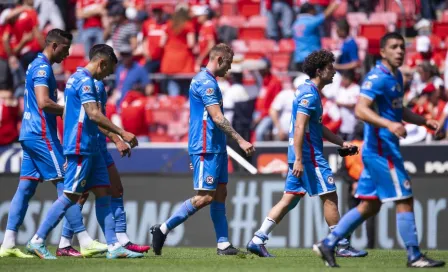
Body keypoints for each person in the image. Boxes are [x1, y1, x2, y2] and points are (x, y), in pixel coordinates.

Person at [313, 33, 446, 268]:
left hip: (380, 151)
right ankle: (414, 256)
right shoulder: (376, 78)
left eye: (402, 47)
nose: (400, 51)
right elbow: (360, 110)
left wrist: (424, 121)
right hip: (382, 152)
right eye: (394, 47)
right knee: (405, 199)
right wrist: (389, 125)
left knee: (369, 206)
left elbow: (399, 110)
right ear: (382, 52)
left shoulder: (395, 76)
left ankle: (329, 243)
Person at [25, 44, 142, 259]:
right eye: (108, 70)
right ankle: (37, 240)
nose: (107, 75)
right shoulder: (84, 81)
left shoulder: (78, 79)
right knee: (70, 196)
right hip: (80, 146)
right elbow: (93, 114)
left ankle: (114, 246)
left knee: (103, 193)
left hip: (91, 148)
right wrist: (122, 133)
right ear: (102, 63)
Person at [246, 49, 366, 258]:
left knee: (289, 199)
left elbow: (317, 127)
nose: (334, 72)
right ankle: (342, 245)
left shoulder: (307, 91)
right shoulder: (310, 94)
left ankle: (258, 239)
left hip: (302, 155)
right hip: (309, 157)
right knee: (330, 196)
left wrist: (341, 142)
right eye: (330, 68)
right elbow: (300, 127)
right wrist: (300, 159)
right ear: (319, 71)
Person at [0, 29, 106, 259]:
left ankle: (7, 242)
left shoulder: (36, 65)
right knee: (66, 184)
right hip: (41, 135)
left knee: (26, 188)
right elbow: (43, 102)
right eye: (66, 49)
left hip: (29, 134)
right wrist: (69, 110)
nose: (67, 54)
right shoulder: (42, 67)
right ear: (55, 46)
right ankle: (83, 239)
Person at [150, 43, 255, 256]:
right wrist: (240, 140)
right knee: (205, 196)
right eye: (228, 64)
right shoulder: (206, 83)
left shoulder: (206, 81)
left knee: (220, 193)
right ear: (218, 60)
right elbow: (216, 117)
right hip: (206, 146)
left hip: (214, 145)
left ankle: (223, 244)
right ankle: (162, 229)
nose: (229, 69)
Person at [57, 79, 150, 256]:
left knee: (112, 190)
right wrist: (117, 139)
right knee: (80, 196)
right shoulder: (94, 86)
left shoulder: (89, 84)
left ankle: (119, 240)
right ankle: (61, 242)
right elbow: (95, 119)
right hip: (92, 148)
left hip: (97, 147)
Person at [292, 1, 339, 72]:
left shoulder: (295, 24)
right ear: (310, 11)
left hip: (298, 59)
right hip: (311, 59)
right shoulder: (310, 21)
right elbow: (325, 15)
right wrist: (337, 2)